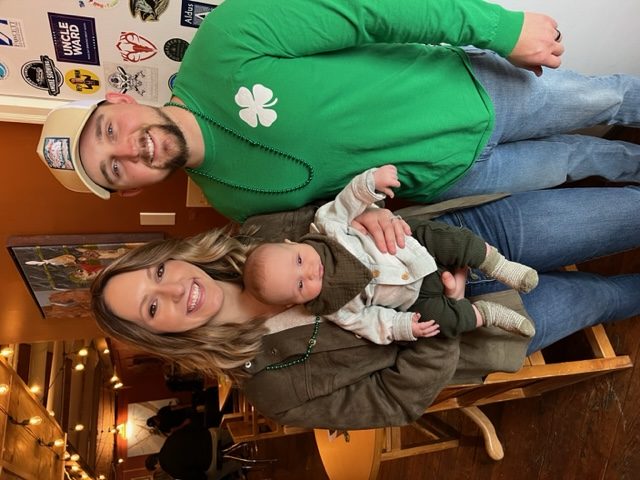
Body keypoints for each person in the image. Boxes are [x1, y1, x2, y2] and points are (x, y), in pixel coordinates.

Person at [35, 0, 640, 222]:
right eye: (114, 167)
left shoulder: (223, 42)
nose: (130, 148)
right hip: (453, 177)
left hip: (476, 89)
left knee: (613, 97)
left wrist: (500, 27)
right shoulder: (233, 204)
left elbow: (370, 11)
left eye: (109, 130)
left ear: (119, 99)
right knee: (578, 160)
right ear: (131, 189)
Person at [90, 186, 640, 429]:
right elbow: (395, 401)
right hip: (477, 327)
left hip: (468, 237)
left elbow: (338, 212)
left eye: (156, 274)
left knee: (628, 213)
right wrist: (441, 323)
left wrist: (369, 215)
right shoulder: (272, 391)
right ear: (162, 337)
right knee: (607, 297)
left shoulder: (256, 233)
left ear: (168, 258)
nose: (173, 290)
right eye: (152, 309)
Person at [244, 165, 537, 342]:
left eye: (299, 260)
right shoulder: (334, 308)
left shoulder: (327, 227)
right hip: (415, 298)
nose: (309, 272)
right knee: (443, 324)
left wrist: (371, 183)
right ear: (295, 303)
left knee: (454, 241)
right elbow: (369, 322)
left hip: (411, 246)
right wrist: (402, 327)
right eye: (299, 285)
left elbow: (348, 200)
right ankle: (489, 314)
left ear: (292, 242)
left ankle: (498, 265)